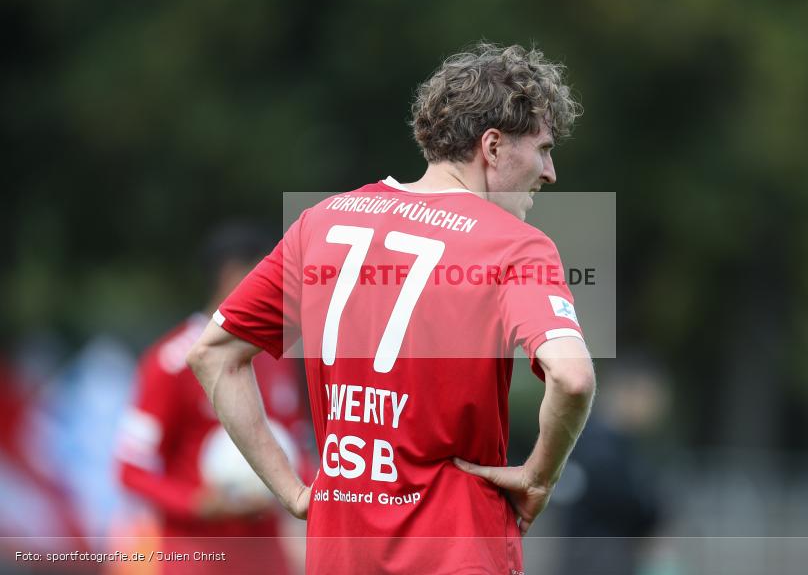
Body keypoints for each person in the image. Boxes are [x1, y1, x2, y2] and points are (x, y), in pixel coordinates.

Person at [188, 43, 596, 574]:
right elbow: (573, 378)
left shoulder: (322, 222)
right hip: (457, 551)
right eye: (542, 149)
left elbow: (213, 356)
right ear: (492, 147)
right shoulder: (516, 244)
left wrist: (292, 490)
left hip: (338, 552)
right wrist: (541, 476)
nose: (550, 172)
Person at [117, 223, 313, 575]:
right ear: (232, 276)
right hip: (197, 559)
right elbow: (131, 469)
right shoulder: (171, 362)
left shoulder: (274, 358)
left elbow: (294, 448)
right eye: (270, 275)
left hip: (268, 559)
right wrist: (198, 504)